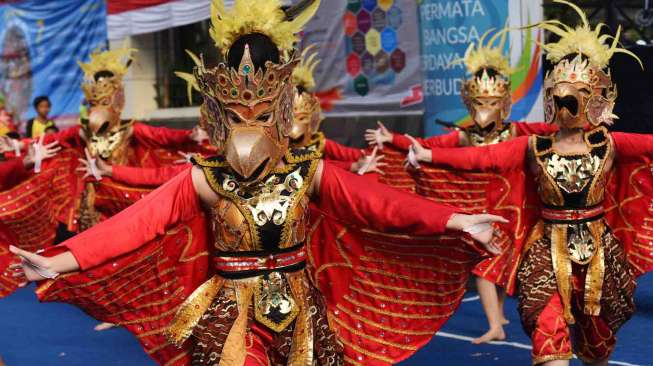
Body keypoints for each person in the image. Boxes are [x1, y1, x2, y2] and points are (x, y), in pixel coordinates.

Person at [10, 1, 509, 364]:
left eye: (261, 112)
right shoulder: (204, 179)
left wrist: (454, 219)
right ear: (219, 115)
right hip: (230, 317)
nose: (248, 128)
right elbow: (136, 225)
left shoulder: (307, 171)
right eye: (236, 114)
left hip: (303, 316)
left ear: (283, 111)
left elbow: (379, 205)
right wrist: (59, 259)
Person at [407, 1, 651, 364]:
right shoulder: (534, 146)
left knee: (598, 348)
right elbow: (482, 158)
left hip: (599, 256)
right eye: (561, 96)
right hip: (545, 255)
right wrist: (429, 155)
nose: (567, 103)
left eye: (578, 96)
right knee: (548, 337)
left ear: (596, 99)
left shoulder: (610, 144)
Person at [364, 27, 557, 344]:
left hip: (516, 209)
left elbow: (555, 131)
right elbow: (427, 146)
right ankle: (495, 323)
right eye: (479, 102)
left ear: (504, 103)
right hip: (479, 208)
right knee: (484, 264)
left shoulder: (518, 131)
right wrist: (392, 139)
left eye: (492, 102)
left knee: (506, 262)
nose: (485, 109)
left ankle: (499, 314)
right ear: (470, 102)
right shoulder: (463, 135)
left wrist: (586, 122)